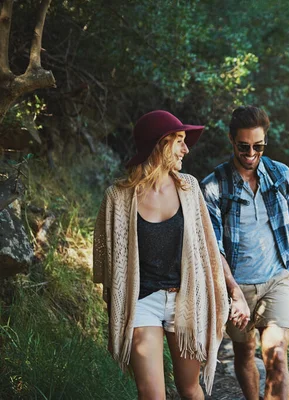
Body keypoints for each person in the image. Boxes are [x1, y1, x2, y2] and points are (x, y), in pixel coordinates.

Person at [92, 110, 229, 400]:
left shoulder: (189, 188)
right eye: (178, 140)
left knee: (190, 389)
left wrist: (232, 291)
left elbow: (208, 248)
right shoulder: (117, 197)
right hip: (142, 302)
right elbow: (107, 261)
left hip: (184, 299)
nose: (186, 148)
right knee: (152, 394)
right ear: (159, 145)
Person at [201, 105, 289, 400]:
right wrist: (233, 293)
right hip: (237, 287)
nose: (250, 153)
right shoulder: (214, 187)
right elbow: (214, 248)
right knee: (245, 353)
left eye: (258, 146)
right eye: (243, 146)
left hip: (276, 280)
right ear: (232, 140)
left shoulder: (281, 176)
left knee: (277, 358)